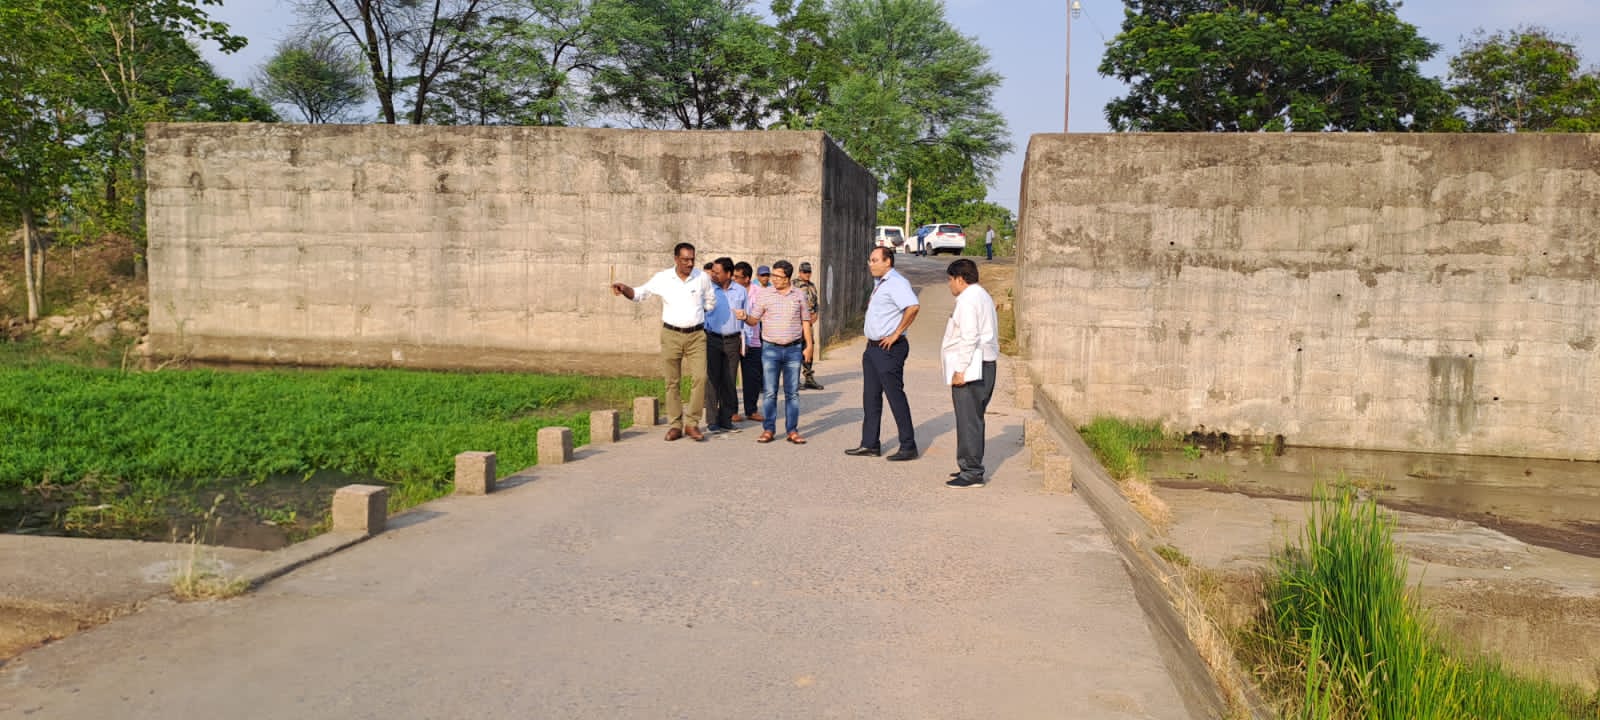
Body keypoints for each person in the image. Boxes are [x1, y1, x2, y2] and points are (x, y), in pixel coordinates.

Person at [611, 242, 716, 442]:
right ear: (676, 259)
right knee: (672, 381)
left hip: (696, 336)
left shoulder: (702, 278)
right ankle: (675, 425)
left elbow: (711, 300)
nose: (690, 263)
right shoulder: (663, 278)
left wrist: (699, 311)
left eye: (692, 259)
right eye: (685, 260)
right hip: (671, 335)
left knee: (700, 378)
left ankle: (692, 423)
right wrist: (624, 289)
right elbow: (639, 294)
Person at [845, 247, 920, 461]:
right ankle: (870, 444)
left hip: (889, 349)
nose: (871, 264)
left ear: (888, 262)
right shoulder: (880, 283)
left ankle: (908, 446)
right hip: (872, 348)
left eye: (875, 260)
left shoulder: (896, 282)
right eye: (870, 260)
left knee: (895, 397)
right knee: (870, 398)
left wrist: (896, 333)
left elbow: (913, 307)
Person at [737, 260, 812, 444]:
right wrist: (745, 317)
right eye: (773, 275)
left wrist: (809, 346)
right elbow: (754, 320)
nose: (774, 279)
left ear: (787, 278)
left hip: (793, 349)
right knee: (770, 392)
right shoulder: (765, 294)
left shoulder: (799, 295)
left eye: (778, 276)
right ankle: (768, 429)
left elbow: (805, 321)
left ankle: (792, 430)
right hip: (770, 349)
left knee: (792, 393)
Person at [940, 258, 999, 488]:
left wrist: (960, 370)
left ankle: (972, 472)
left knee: (968, 420)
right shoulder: (982, 295)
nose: (949, 284)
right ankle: (968, 466)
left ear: (960, 279)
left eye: (950, 279)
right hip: (986, 363)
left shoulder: (967, 301)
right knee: (973, 418)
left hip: (973, 367)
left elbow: (969, 336)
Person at [703, 257, 746, 433]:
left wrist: (745, 341)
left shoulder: (741, 291)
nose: (713, 275)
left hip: (733, 340)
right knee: (712, 380)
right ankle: (712, 421)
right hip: (712, 339)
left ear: (728, 274)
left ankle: (726, 420)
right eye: (712, 271)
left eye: (717, 272)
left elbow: (746, 316)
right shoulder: (708, 290)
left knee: (729, 380)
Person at [731, 262, 764, 422]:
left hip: (753, 340)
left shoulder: (759, 293)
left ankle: (751, 410)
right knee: (730, 376)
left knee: (752, 378)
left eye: (738, 277)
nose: (734, 279)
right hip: (733, 338)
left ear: (747, 278)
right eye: (733, 276)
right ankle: (732, 410)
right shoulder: (730, 291)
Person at [794, 261, 825, 390]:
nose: (807, 274)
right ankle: (794, 380)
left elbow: (816, 302)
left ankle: (809, 378)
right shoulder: (794, 285)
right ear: (800, 272)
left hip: (809, 324)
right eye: (805, 272)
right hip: (797, 324)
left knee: (809, 349)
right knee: (796, 351)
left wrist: (816, 314)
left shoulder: (812, 286)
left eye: (809, 272)